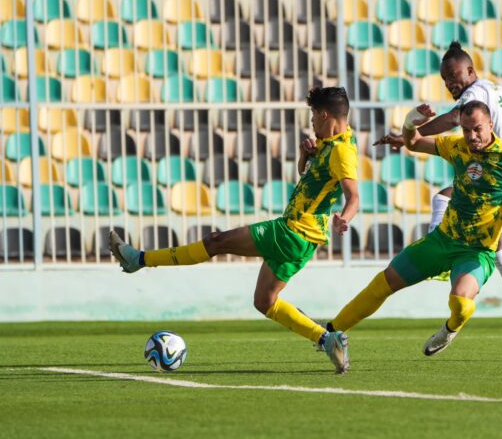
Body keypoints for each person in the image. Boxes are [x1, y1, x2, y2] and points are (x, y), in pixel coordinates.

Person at [110, 86, 359, 374]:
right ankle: (328, 340)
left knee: (217, 242)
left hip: (291, 231)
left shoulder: (341, 151)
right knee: (264, 302)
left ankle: (138, 259)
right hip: (304, 241)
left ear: (325, 114)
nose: (312, 121)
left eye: (314, 114)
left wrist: (345, 218)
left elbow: (353, 196)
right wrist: (306, 157)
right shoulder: (333, 141)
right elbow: (309, 178)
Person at [325, 100, 502, 368]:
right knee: (383, 283)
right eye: (466, 130)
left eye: (477, 129)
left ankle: (449, 330)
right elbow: (414, 143)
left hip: (477, 252)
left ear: (491, 124)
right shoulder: (458, 147)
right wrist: (410, 122)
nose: (472, 136)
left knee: (461, 303)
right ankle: (329, 333)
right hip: (442, 240)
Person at [375, 41, 502, 357]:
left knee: (496, 246)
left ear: (471, 71)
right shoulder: (497, 90)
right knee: (444, 197)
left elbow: (455, 118)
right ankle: (442, 253)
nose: (452, 85)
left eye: (455, 77)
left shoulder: (474, 95)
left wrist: (410, 135)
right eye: (446, 81)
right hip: (494, 177)